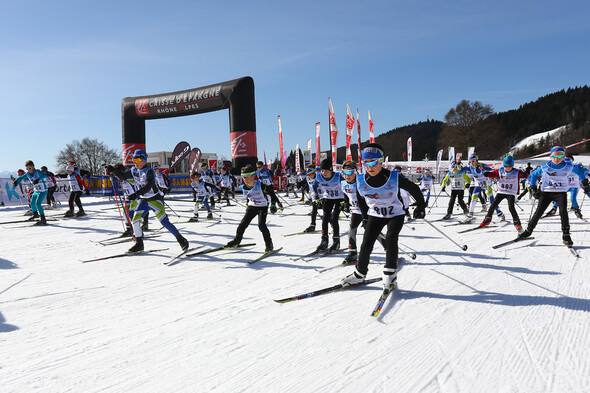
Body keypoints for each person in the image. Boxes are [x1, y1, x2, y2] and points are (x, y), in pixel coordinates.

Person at [341, 144, 426, 289]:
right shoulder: (361, 180)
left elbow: (414, 188)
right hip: (375, 214)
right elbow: (361, 199)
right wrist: (366, 217)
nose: (370, 167)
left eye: (373, 163)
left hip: (395, 214)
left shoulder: (393, 177)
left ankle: (390, 275)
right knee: (366, 243)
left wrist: (420, 206)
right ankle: (359, 274)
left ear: (380, 161)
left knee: (391, 238)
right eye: (366, 163)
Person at [106, 149, 188, 253]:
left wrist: (135, 194)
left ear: (144, 159)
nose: (135, 162)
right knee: (135, 221)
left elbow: (148, 186)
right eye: (133, 160)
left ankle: (181, 240)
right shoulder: (134, 170)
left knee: (164, 222)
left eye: (137, 160)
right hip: (143, 201)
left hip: (155, 200)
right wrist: (113, 170)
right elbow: (123, 176)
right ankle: (139, 244)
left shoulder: (149, 171)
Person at [518, 146, 590, 246]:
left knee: (563, 212)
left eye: (560, 156)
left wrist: (586, 184)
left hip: (560, 193)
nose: (557, 158)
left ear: (564, 156)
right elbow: (533, 175)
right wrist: (533, 188)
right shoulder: (545, 167)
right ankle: (528, 231)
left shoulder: (569, 166)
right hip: (546, 193)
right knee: (538, 212)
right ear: (550, 156)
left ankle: (566, 235)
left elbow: (580, 173)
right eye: (554, 156)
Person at [225, 164, 279, 252]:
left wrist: (273, 204)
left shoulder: (261, 185)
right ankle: (237, 241)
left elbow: (272, 194)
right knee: (242, 225)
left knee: (262, 226)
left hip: (262, 207)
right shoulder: (244, 187)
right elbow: (248, 196)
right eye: (243, 177)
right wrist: (247, 204)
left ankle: (269, 245)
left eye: (246, 177)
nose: (245, 180)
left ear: (253, 176)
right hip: (252, 206)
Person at [479, 155, 530, 232]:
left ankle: (517, 223)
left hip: (511, 193)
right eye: (506, 166)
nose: (507, 168)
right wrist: (487, 174)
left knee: (511, 208)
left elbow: (525, 175)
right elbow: (493, 174)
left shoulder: (516, 172)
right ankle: (487, 219)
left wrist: (526, 172)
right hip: (501, 191)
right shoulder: (500, 170)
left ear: (512, 165)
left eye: (509, 166)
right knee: (493, 205)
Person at [312, 158, 344, 252]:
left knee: (334, 218)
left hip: (339, 198)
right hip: (328, 198)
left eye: (326, 170)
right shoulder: (319, 176)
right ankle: (324, 240)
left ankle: (336, 241)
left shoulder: (338, 176)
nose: (324, 173)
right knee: (325, 217)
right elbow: (314, 186)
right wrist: (317, 198)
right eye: (322, 170)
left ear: (331, 169)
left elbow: (347, 185)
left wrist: (346, 200)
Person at [466, 154, 504, 219]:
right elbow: (462, 170)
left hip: (486, 185)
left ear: (477, 161)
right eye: (470, 161)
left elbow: (492, 171)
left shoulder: (482, 165)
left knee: (491, 200)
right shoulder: (470, 167)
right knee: (473, 198)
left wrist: (484, 170)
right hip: (478, 185)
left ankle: (499, 213)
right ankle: (470, 213)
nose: (471, 163)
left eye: (473, 161)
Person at [12, 160, 49, 225]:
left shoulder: (37, 172)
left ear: (33, 167)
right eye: (27, 168)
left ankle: (43, 219)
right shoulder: (28, 174)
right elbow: (21, 178)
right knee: (32, 203)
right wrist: (16, 181)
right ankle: (35, 214)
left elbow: (45, 176)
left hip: (43, 190)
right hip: (36, 191)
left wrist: (38, 179)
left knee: (38, 203)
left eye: (30, 168)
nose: (29, 170)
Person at [302, 164, 320, 232]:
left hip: (321, 196)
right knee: (314, 210)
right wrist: (303, 186)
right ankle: (312, 225)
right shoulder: (307, 177)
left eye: (311, 174)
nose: (310, 176)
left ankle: (332, 223)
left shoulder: (318, 177)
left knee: (326, 211)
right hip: (314, 196)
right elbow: (305, 183)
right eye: (308, 175)